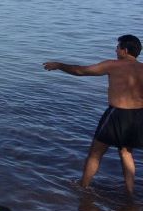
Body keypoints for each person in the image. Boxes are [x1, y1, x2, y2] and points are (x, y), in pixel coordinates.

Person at [44, 35, 143, 196]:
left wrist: (59, 65)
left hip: (116, 114)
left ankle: (83, 187)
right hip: (138, 117)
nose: (115, 50)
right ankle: (130, 193)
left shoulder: (113, 65)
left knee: (96, 152)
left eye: (118, 48)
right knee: (126, 153)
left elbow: (81, 71)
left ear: (125, 51)